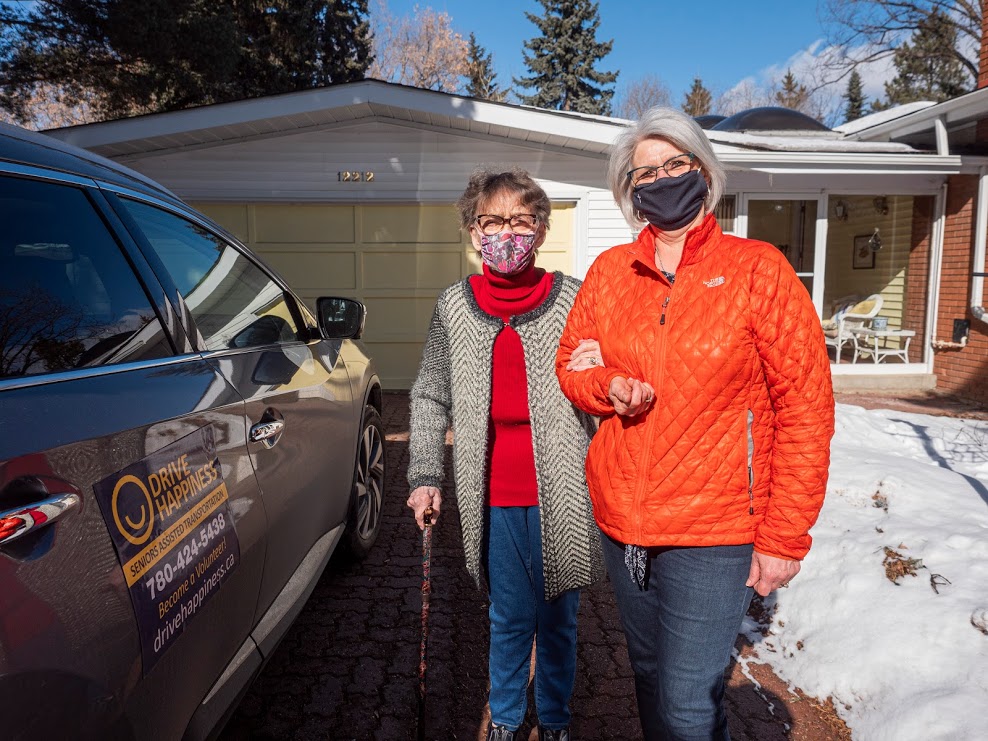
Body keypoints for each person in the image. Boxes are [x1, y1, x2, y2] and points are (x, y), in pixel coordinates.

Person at [555, 107, 835, 741]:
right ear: (629, 190)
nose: (661, 179)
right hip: (624, 522)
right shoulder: (610, 273)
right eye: (644, 173)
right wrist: (607, 385)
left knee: (687, 703)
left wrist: (784, 536)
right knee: (649, 675)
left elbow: (805, 407)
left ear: (703, 171)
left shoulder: (758, 269)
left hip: (715, 529)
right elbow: (571, 363)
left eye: (674, 164)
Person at [406, 168, 604, 741]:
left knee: (560, 619)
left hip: (565, 493)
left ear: (540, 230)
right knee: (509, 617)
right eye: (491, 221)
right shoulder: (454, 306)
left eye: (520, 220)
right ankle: (508, 718)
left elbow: (606, 383)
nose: (506, 233)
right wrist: (425, 474)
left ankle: (556, 718)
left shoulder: (577, 299)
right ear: (473, 232)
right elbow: (429, 394)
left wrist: (602, 368)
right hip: (492, 495)